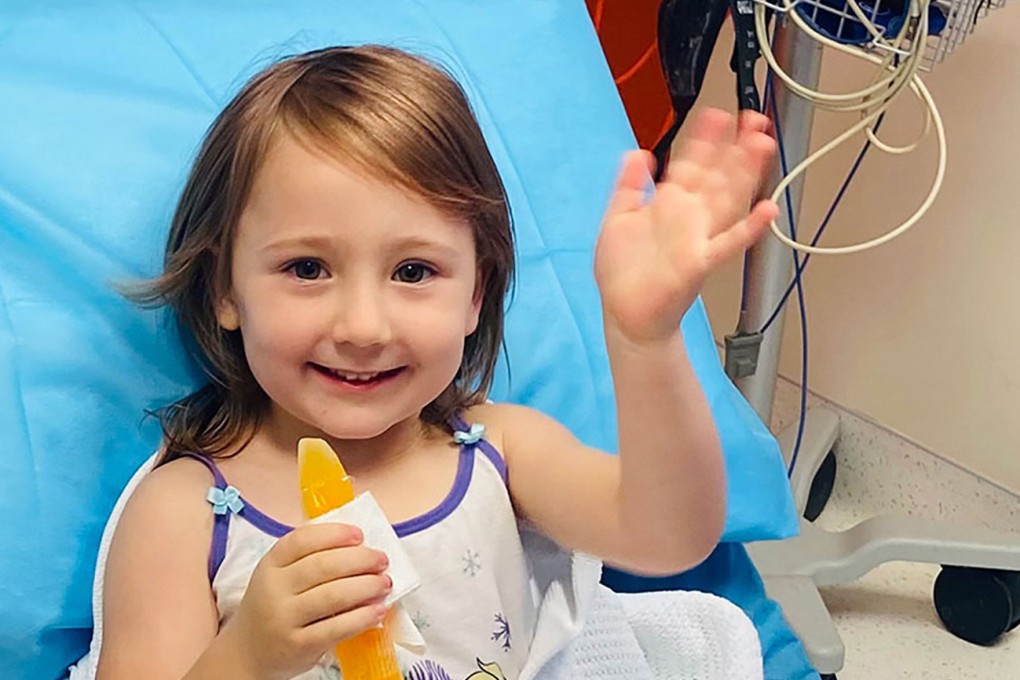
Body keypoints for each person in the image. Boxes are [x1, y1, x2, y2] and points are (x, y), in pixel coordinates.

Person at [94, 44, 778, 680]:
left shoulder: (501, 454)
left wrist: (646, 342)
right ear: (224, 290)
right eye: (307, 268)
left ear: (475, 295)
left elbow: (671, 536)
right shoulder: (185, 516)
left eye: (414, 271)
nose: (363, 326)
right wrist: (248, 653)